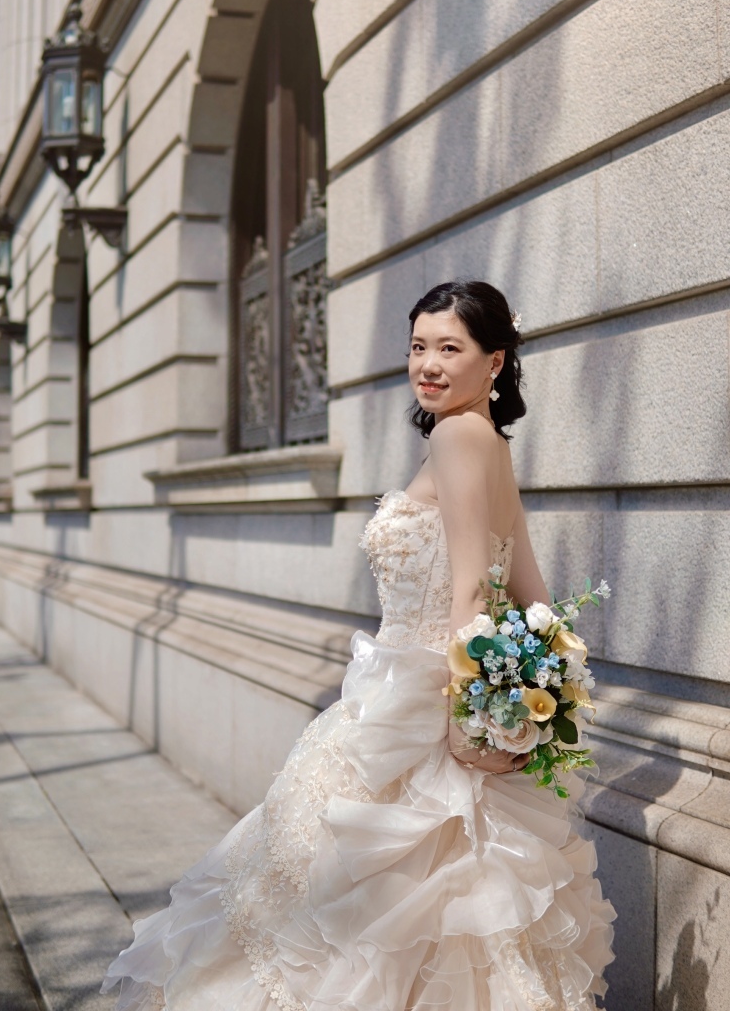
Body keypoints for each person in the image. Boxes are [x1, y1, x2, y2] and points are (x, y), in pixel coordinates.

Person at [102, 279, 615, 1011]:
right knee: (438, 918)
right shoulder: (488, 443)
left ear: (495, 361)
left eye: (450, 348)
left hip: (419, 705)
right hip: (422, 689)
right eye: (418, 347)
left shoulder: (456, 436)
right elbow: (533, 596)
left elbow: (476, 589)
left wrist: (471, 717)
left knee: (352, 916)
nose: (428, 365)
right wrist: (535, 696)